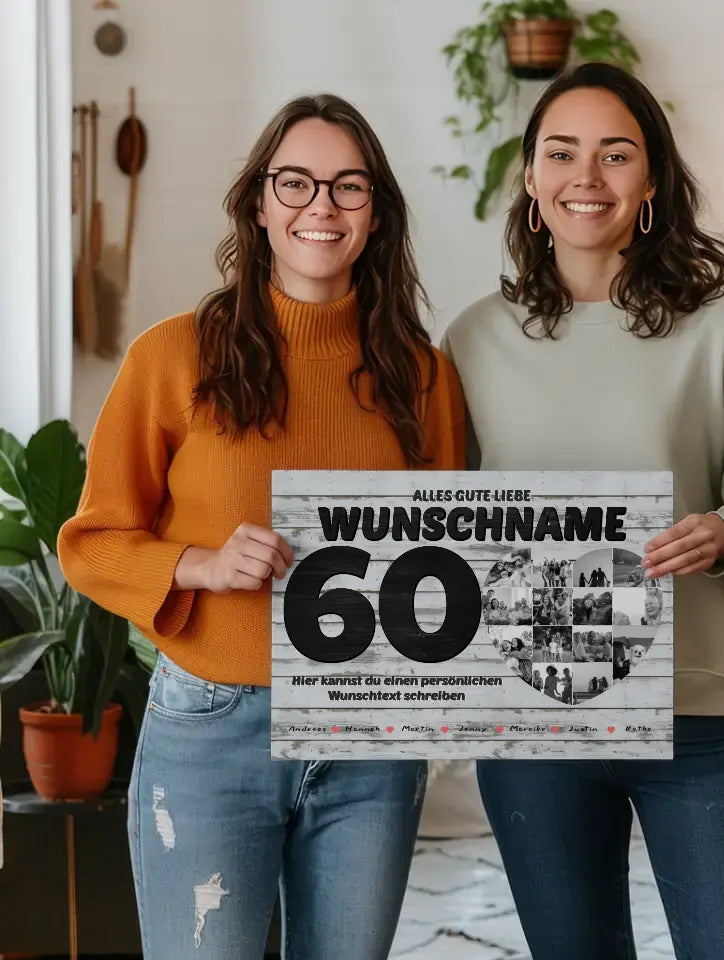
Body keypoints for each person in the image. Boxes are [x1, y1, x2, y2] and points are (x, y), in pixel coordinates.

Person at [58, 94, 466, 960]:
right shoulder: (173, 356)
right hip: (212, 725)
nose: (322, 205)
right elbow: (90, 543)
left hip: (370, 734)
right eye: (296, 182)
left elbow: (450, 561)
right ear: (257, 204)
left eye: (349, 186)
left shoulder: (425, 378)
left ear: (377, 214)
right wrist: (199, 564)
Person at [441, 62, 724, 960]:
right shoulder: (471, 340)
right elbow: (441, 524)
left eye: (615, 154)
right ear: (531, 178)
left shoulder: (721, 327)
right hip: (534, 724)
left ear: (651, 183)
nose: (588, 176)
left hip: (697, 722)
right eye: (562, 153)